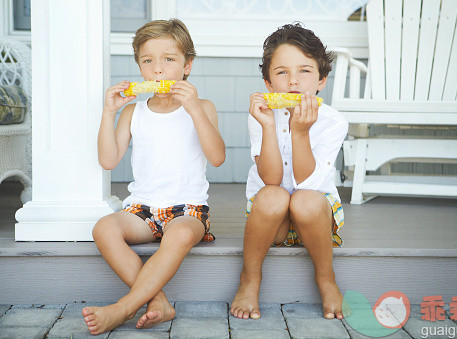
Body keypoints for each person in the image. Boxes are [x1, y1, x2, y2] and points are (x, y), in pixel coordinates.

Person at [82, 19, 225, 335]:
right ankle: (157, 300)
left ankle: (124, 308)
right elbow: (108, 160)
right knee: (104, 228)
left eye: (169, 60)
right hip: (141, 211)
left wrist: (195, 110)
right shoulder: (134, 112)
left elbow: (217, 157)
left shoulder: (203, 107)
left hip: (187, 211)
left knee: (179, 234)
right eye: (148, 61)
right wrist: (109, 112)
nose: (157, 70)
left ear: (187, 66)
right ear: (140, 67)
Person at [230, 23, 349, 320]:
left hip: (315, 214)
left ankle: (326, 278)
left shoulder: (333, 121)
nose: (293, 81)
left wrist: (300, 132)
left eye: (305, 71)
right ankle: (250, 277)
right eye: (282, 72)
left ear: (321, 80)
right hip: (272, 218)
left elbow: (309, 183)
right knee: (272, 195)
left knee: (304, 199)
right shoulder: (261, 114)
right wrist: (269, 125)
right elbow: (270, 179)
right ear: (269, 83)